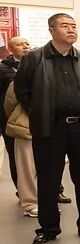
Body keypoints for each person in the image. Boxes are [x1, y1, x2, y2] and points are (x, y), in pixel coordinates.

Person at [13, 13, 80, 244]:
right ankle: (48, 228)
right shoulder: (34, 58)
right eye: (65, 26)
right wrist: (38, 111)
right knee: (49, 179)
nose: (71, 30)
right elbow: (21, 90)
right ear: (51, 30)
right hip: (50, 127)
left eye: (74, 26)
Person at [1, 36, 31, 194]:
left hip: (35, 116)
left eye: (27, 43)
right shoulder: (3, 69)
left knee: (46, 154)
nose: (25, 46)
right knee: (16, 156)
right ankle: (22, 191)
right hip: (11, 119)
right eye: (20, 44)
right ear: (11, 50)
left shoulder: (38, 65)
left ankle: (56, 190)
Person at [3, 80, 36, 216]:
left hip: (46, 127)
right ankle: (30, 203)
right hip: (24, 127)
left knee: (44, 168)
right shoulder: (19, 81)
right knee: (26, 168)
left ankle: (43, 201)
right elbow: (9, 104)